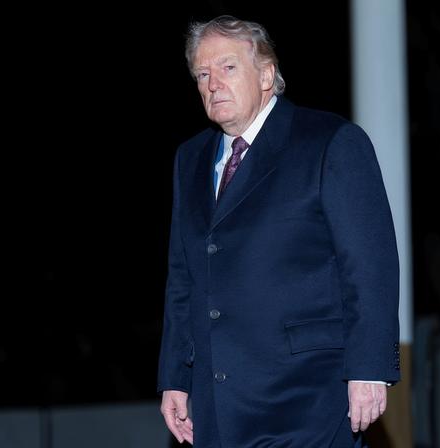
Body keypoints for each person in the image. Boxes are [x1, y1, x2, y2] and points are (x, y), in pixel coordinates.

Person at [158, 15, 400, 447]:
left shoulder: (329, 141)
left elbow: (369, 264)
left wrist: (369, 369)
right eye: (202, 73)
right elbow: (184, 277)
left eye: (228, 68)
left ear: (267, 74)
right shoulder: (189, 159)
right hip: (217, 399)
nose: (213, 83)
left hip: (308, 393)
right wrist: (175, 375)